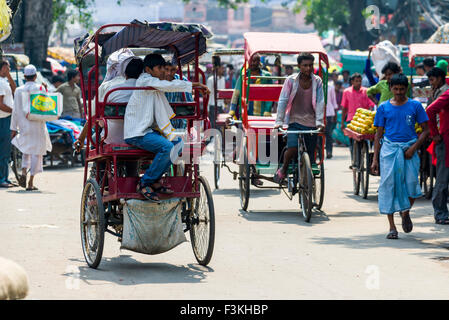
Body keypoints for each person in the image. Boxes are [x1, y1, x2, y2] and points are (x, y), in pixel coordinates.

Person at [124, 54, 209, 202]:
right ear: (148, 69)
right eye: (160, 68)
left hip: (148, 131)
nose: (163, 71)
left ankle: (155, 180)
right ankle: (145, 182)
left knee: (178, 144)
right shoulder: (145, 80)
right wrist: (196, 85)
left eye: (164, 67)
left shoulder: (153, 83)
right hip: (137, 133)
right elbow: (170, 86)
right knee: (168, 148)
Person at [371, 74, 429, 239]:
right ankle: (392, 227)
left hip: (409, 149)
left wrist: (414, 148)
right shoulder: (383, 107)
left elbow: (426, 130)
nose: (398, 92)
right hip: (389, 150)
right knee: (388, 186)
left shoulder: (415, 106)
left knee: (411, 184)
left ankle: (405, 211)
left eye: (402, 89)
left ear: (407, 89)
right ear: (390, 88)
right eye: (395, 89)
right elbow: (378, 135)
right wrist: (375, 159)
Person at [273, 53, 325, 182]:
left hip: (311, 122)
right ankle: (284, 169)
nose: (308, 68)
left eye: (310, 65)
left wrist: (319, 122)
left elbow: (320, 102)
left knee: (312, 153)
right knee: (292, 148)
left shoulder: (317, 81)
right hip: (294, 120)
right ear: (299, 66)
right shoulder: (291, 80)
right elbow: (283, 100)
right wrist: (279, 122)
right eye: (305, 65)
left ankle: (308, 176)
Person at [75, 57, 144, 150]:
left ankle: (98, 164)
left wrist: (81, 138)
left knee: (96, 137)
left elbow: (93, 116)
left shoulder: (109, 88)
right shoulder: (147, 89)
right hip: (139, 137)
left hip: (110, 137)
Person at [10, 65, 52, 191]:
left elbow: (15, 111)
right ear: (35, 76)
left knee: (26, 150)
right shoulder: (40, 88)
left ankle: (23, 172)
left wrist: (13, 128)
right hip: (37, 125)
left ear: (24, 76)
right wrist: (45, 90)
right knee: (36, 153)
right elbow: (46, 105)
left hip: (24, 125)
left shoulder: (18, 90)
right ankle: (30, 182)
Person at [426, 85, 449, 225]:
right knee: (442, 179)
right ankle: (440, 213)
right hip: (446, 143)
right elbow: (430, 110)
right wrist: (434, 133)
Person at [341, 73, 376, 160]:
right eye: (356, 81)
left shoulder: (366, 91)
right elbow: (344, 107)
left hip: (364, 120)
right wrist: (342, 122)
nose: (359, 83)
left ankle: (363, 157)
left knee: (366, 138)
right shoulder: (347, 92)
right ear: (352, 81)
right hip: (351, 120)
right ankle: (354, 160)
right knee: (352, 142)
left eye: (360, 81)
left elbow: (371, 105)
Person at [228, 54, 273, 119]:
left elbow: (270, 95)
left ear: (259, 61)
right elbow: (236, 94)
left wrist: (267, 110)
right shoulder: (243, 76)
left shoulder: (266, 76)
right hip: (245, 114)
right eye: (250, 61)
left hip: (262, 115)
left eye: (254, 61)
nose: (252, 63)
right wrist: (232, 110)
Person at [0, 60, 16, 188]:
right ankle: (2, 179)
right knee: (4, 151)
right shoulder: (0, 83)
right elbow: (0, 105)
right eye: (8, 67)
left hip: (6, 119)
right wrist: (13, 111)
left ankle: (5, 177)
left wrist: (9, 75)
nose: (10, 69)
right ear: (4, 67)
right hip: (3, 120)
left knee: (6, 150)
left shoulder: (4, 81)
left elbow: (14, 89)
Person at [164, 61, 193, 130]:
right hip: (163, 122)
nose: (169, 73)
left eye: (172, 70)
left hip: (179, 123)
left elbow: (189, 103)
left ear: (176, 69)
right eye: (166, 69)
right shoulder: (158, 81)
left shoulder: (183, 80)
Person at [207, 63, 226, 129]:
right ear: (217, 69)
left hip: (220, 106)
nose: (223, 70)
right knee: (213, 125)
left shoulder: (223, 79)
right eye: (221, 68)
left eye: (223, 68)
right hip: (212, 106)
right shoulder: (210, 79)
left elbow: (223, 93)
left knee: (219, 126)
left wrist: (223, 106)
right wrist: (207, 108)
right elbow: (208, 94)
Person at [325, 81, 338, 159]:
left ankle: (329, 151)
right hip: (318, 113)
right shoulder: (315, 84)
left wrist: (335, 114)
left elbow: (333, 100)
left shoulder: (331, 87)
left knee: (328, 134)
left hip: (329, 113)